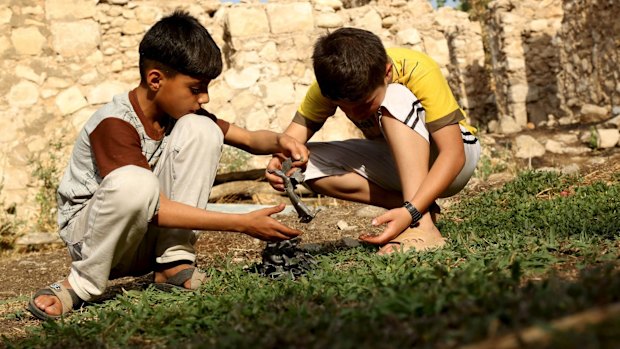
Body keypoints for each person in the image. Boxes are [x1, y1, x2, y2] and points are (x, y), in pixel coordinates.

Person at [27, 11, 308, 321]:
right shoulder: (114, 123)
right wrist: (242, 223)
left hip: (142, 236)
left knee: (203, 129)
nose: (205, 98)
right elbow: (154, 205)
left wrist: (283, 141)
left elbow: (252, 139)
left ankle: (172, 264)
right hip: (95, 241)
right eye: (196, 88)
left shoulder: (179, 114)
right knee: (136, 182)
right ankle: (79, 285)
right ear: (156, 80)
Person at [266, 27, 480, 255]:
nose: (356, 115)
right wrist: (279, 162)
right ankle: (416, 207)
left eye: (364, 104)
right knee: (303, 163)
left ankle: (421, 226)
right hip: (401, 164)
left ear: (387, 72)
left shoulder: (416, 68)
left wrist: (412, 212)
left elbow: (453, 154)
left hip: (455, 159)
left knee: (395, 95)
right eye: (343, 108)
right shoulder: (330, 84)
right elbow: (290, 141)